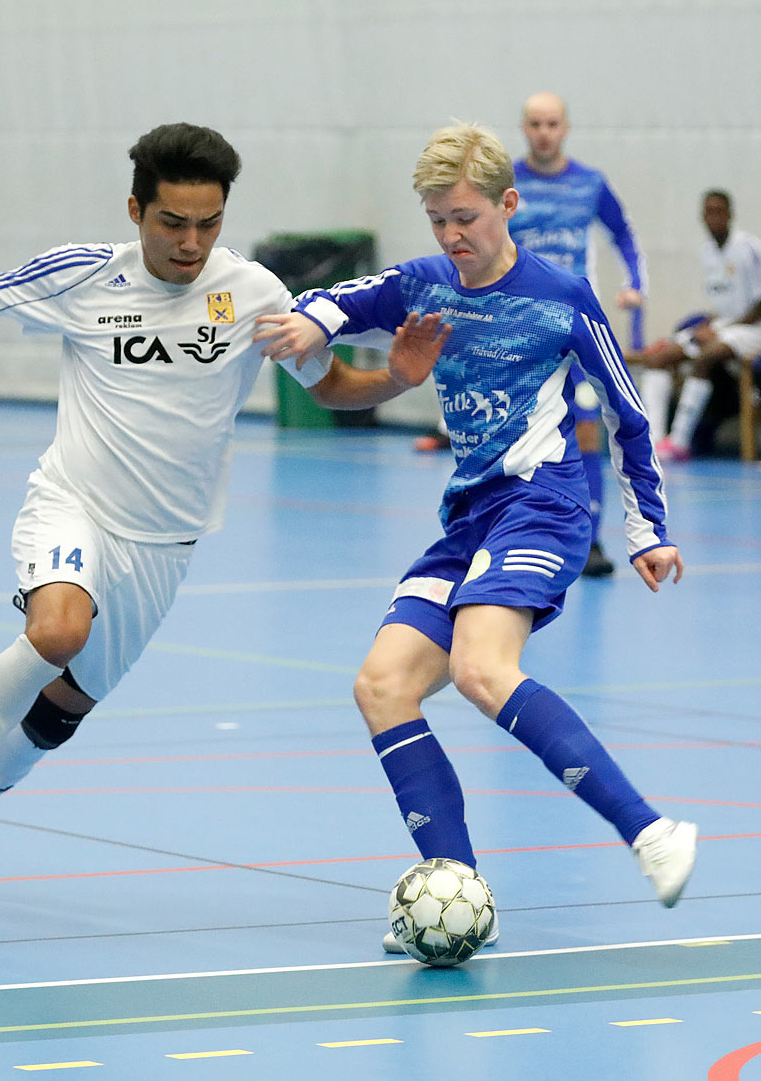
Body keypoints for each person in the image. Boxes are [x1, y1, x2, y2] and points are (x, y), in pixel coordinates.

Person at [0, 123, 450, 883]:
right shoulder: (85, 277)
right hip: (75, 505)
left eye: (208, 223)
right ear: (135, 211)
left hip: (164, 545)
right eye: (172, 223)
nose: (190, 242)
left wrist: (398, 378)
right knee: (58, 631)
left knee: (59, 712)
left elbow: (330, 388)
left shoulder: (255, 294)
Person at [254, 121, 699, 953]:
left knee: (480, 668)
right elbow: (340, 301)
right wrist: (312, 325)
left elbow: (632, 415)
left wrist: (647, 529)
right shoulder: (424, 283)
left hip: (547, 502)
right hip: (470, 517)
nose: (452, 235)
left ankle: (651, 832)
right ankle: (457, 888)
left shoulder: (562, 297)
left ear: (507, 205)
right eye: (436, 220)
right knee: (383, 685)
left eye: (465, 217)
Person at [418, 91, 647, 579]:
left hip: (571, 326)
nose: (544, 132)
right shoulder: (502, 186)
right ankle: (497, 527)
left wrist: (635, 284)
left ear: (565, 128)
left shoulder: (589, 183)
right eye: (535, 124)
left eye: (552, 124)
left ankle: (591, 538)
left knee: (587, 425)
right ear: (525, 130)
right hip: (518, 332)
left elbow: (624, 233)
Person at [631, 189, 761, 461]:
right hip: (726, 326)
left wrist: (719, 329)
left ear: (730, 215)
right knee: (659, 358)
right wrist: (708, 325)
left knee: (706, 356)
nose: (714, 217)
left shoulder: (748, 248)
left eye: (719, 211)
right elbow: (724, 304)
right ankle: (653, 439)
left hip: (758, 329)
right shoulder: (707, 253)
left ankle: (679, 442)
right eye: (709, 211)